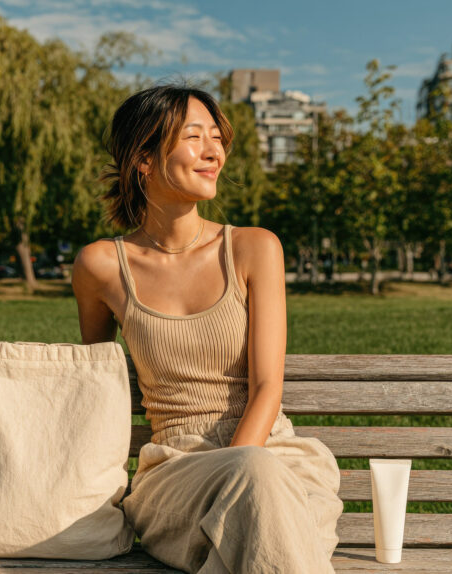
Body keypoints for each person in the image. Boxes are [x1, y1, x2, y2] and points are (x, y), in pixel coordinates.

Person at [71, 84, 342, 573]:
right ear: (144, 159)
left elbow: (266, 387)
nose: (214, 152)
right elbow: (95, 386)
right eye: (194, 137)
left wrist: (243, 470)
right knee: (258, 515)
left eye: (217, 138)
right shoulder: (102, 266)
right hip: (176, 473)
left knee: (253, 502)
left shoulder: (255, 248)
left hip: (278, 458)